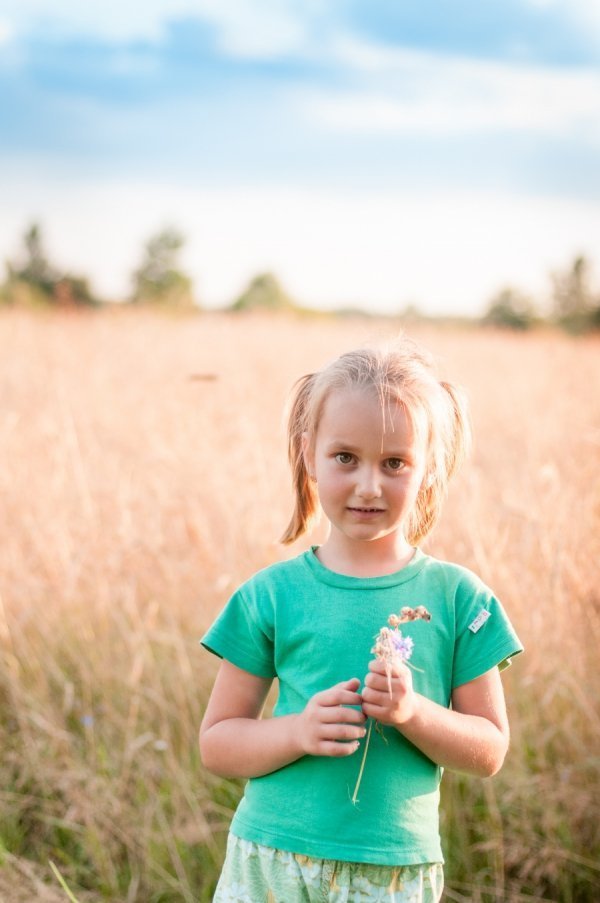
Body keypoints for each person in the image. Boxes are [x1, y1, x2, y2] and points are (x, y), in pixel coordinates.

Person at [200, 337, 523, 903]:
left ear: (429, 469)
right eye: (345, 457)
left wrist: (413, 712)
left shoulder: (457, 598)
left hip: (391, 875)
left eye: (395, 462)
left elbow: (490, 750)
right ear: (309, 454)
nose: (369, 485)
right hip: (271, 861)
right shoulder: (271, 595)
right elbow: (218, 744)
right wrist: (297, 731)